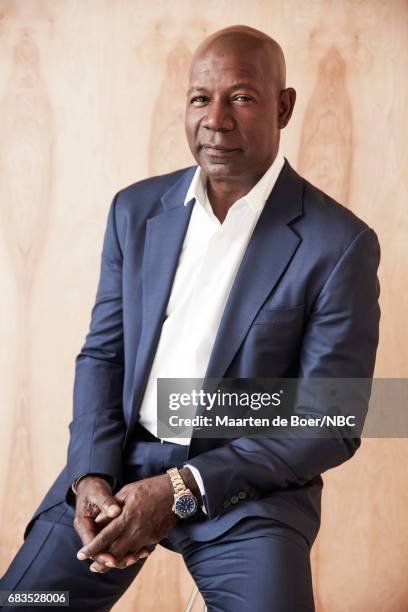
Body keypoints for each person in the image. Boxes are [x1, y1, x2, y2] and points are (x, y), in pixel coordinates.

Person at [0, 24, 380, 612]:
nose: (217, 119)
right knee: (31, 603)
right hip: (122, 465)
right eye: (201, 98)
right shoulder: (135, 210)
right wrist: (90, 476)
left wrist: (182, 489)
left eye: (243, 97)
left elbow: (331, 419)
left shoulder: (339, 243)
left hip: (250, 492)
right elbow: (104, 355)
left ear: (284, 107)